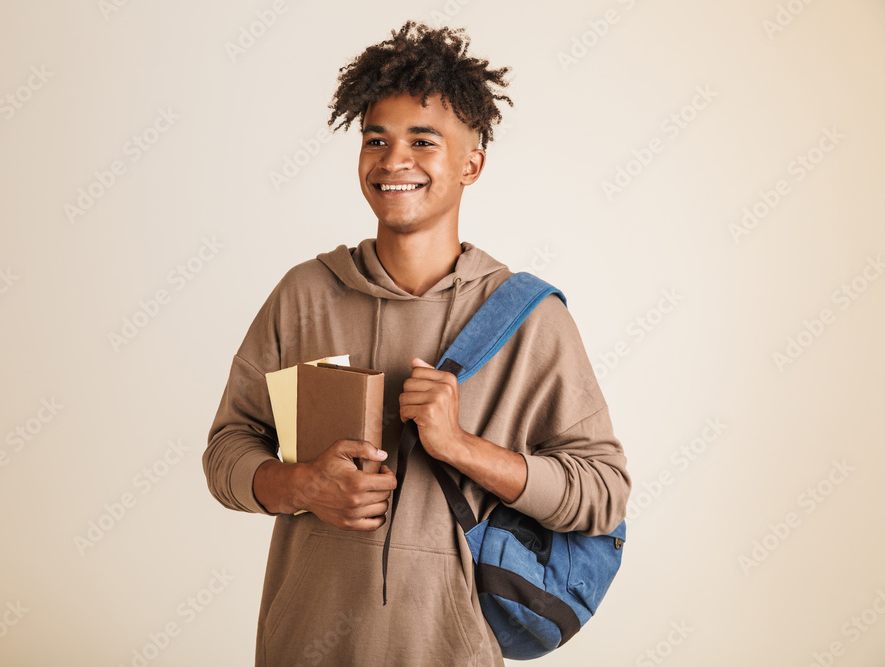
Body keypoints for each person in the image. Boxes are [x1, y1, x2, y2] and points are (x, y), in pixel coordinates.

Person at [202, 20, 631, 666]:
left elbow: (603, 491)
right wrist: (300, 484)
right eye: (376, 139)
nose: (393, 160)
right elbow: (226, 451)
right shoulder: (304, 294)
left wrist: (463, 448)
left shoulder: (530, 320)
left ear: (471, 164)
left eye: (422, 141)